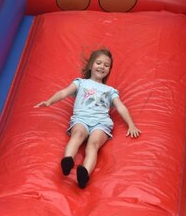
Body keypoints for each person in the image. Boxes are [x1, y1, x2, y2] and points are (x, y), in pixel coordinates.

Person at [35, 48, 140, 188]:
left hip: (101, 123)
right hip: (81, 120)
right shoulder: (80, 83)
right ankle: (68, 160)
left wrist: (131, 124)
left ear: (109, 70)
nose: (102, 66)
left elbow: (120, 107)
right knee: (78, 134)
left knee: (93, 144)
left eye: (106, 65)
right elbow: (64, 92)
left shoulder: (110, 91)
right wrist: (50, 101)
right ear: (91, 65)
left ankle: (84, 173)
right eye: (99, 63)